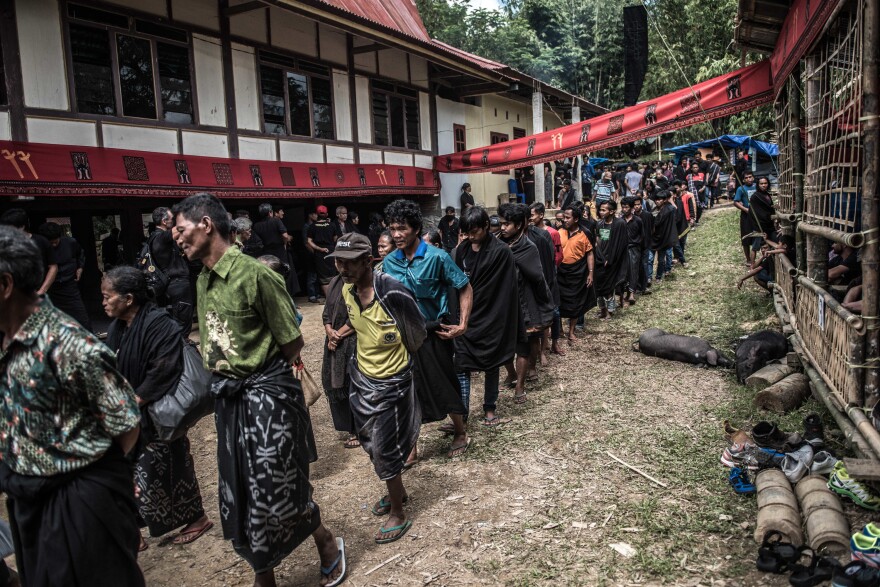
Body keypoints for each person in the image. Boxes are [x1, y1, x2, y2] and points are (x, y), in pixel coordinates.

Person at [171, 193, 345, 587]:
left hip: (269, 393)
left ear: (206, 224)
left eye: (180, 230)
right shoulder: (201, 279)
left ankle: (326, 541)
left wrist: (257, 379)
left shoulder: (257, 274)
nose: (175, 238)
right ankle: (263, 574)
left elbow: (292, 342)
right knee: (240, 491)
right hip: (231, 400)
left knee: (277, 484)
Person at [0, 225, 144, 586]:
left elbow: (126, 423)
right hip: (27, 500)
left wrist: (90, 488)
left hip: (75, 505)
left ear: (5, 285)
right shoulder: (8, 341)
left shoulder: (69, 346)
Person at [102, 266, 213, 552]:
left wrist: (135, 400)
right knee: (125, 471)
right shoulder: (117, 327)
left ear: (128, 299)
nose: (103, 302)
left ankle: (196, 518)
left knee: (167, 468)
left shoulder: (159, 323)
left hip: (153, 413)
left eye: (108, 296)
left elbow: (164, 369)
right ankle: (133, 529)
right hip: (127, 410)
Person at [327, 233, 426, 545]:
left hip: (392, 382)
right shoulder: (346, 290)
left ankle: (397, 511)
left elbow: (416, 332)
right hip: (363, 380)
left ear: (367, 261)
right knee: (371, 444)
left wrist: (399, 364)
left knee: (384, 447)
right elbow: (356, 324)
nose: (343, 267)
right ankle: (398, 490)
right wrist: (338, 334)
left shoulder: (393, 291)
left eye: (350, 261)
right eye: (339, 261)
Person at [382, 200, 472, 461]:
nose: (396, 234)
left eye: (402, 228)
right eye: (392, 228)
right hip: (403, 336)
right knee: (407, 388)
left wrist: (463, 323)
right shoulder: (389, 263)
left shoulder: (437, 257)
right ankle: (411, 444)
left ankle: (459, 431)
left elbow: (464, 287)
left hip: (435, 332)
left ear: (416, 228)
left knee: (444, 383)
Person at [452, 207, 519, 424]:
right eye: (467, 233)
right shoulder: (461, 250)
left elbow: (506, 289)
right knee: (461, 364)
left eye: (475, 232)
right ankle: (461, 414)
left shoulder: (501, 252)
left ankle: (490, 409)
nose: (471, 237)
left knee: (492, 363)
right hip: (466, 318)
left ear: (486, 227)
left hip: (491, 317)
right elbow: (456, 282)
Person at [498, 203, 553, 402]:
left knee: (524, 343)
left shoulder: (528, 246)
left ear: (520, 224)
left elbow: (538, 275)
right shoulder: (497, 243)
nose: (503, 228)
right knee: (502, 344)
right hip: (503, 302)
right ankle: (511, 373)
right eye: (501, 223)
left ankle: (520, 385)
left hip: (524, 301)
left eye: (507, 224)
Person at [322, 273, 359, 450]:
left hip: (354, 340)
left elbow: (360, 315)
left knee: (355, 384)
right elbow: (327, 312)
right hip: (334, 342)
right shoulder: (335, 281)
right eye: (338, 261)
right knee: (337, 383)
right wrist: (330, 331)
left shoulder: (361, 282)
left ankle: (360, 428)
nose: (342, 266)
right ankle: (350, 427)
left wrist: (337, 335)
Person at [37, 222, 91, 331]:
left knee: (82, 318)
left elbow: (80, 254)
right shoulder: (38, 247)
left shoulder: (70, 242)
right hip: (49, 288)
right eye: (50, 243)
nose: (53, 245)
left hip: (69, 286)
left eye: (55, 242)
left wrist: (80, 267)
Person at [149, 207, 195, 331]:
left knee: (178, 322)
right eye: (172, 219)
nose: (174, 221)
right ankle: (183, 348)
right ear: (164, 221)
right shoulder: (161, 237)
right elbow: (180, 228)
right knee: (181, 324)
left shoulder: (158, 238)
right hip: (176, 284)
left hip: (174, 285)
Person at [530, 203, 565, 356]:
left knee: (554, 312)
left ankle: (555, 343)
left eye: (533, 214)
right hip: (538, 276)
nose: (531, 217)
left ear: (541, 215)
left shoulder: (551, 233)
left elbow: (557, 255)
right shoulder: (529, 234)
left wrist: (551, 272)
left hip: (550, 274)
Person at [0, 208, 58, 296]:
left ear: (22, 227)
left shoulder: (41, 241)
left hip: (36, 294)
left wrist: (42, 290)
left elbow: (53, 267)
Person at [557, 206, 594, 342]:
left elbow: (590, 253)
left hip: (577, 272)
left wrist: (590, 273)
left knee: (576, 302)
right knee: (558, 301)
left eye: (567, 218)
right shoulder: (559, 232)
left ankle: (571, 331)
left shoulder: (585, 233)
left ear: (576, 219)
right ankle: (559, 329)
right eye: (564, 217)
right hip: (560, 272)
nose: (564, 220)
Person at [592, 200, 628, 319]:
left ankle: (610, 311)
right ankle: (602, 309)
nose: (601, 212)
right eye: (600, 210)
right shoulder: (600, 224)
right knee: (599, 286)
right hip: (600, 259)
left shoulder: (619, 224)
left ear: (612, 211)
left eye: (604, 210)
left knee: (608, 287)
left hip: (613, 261)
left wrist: (611, 258)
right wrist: (600, 254)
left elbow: (621, 243)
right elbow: (599, 238)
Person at [308, 205, 338, 298]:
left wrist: (319, 248)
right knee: (333, 274)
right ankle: (334, 297)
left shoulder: (312, 226)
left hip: (319, 254)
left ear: (317, 215)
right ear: (327, 214)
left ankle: (329, 298)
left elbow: (309, 241)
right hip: (331, 251)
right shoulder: (332, 225)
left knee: (323, 277)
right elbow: (335, 238)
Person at [620, 197, 644, 305]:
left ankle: (632, 294)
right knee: (624, 271)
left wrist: (639, 246)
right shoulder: (620, 221)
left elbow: (642, 235)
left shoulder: (638, 220)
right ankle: (625, 293)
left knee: (633, 270)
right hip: (623, 249)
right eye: (623, 207)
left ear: (631, 208)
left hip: (634, 248)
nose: (624, 209)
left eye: (626, 207)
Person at [651, 190, 679, 283]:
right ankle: (654, 276)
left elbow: (657, 222)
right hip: (657, 238)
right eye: (656, 200)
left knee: (661, 259)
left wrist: (670, 200)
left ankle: (659, 276)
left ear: (664, 200)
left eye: (659, 200)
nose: (657, 201)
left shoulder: (667, 209)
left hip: (664, 238)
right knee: (654, 259)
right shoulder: (657, 209)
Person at [733, 171, 757, 266]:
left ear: (753, 177)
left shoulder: (757, 187)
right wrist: (745, 209)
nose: (748, 179)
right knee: (746, 237)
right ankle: (748, 259)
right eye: (746, 178)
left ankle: (758, 257)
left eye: (750, 177)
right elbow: (736, 202)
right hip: (746, 216)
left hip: (757, 215)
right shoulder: (740, 189)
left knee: (759, 235)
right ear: (743, 180)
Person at [750, 176, 777, 254]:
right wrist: (769, 216)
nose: (764, 185)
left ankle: (767, 260)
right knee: (756, 246)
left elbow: (769, 208)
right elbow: (757, 212)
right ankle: (752, 264)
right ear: (758, 185)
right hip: (759, 225)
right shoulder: (755, 197)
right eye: (761, 183)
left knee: (768, 244)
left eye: (765, 183)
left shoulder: (767, 195)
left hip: (769, 225)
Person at [303, 210, 321, 303]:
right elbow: (306, 243)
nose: (316, 216)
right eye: (314, 214)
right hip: (310, 254)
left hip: (316, 253)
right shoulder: (306, 227)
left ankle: (317, 293)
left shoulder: (314, 226)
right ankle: (312, 295)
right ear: (310, 215)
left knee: (316, 274)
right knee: (311, 275)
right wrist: (314, 252)